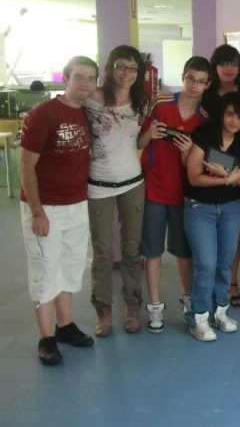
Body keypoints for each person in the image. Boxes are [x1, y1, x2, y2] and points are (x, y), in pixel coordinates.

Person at [19, 55, 97, 365]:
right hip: (45, 208)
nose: (84, 83)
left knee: (70, 266)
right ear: (65, 79)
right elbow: (26, 165)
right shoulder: (44, 114)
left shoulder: (86, 114)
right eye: (79, 77)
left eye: (90, 78)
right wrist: (37, 212)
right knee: (44, 270)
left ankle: (65, 326)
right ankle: (46, 337)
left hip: (76, 205)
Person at [137, 56, 211, 333]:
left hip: (184, 194)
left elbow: (198, 165)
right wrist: (149, 135)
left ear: (207, 85)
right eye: (190, 78)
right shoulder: (161, 103)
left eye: (201, 81)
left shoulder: (205, 119)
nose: (194, 86)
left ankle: (189, 302)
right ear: (183, 76)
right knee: (152, 250)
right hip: (154, 188)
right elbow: (139, 141)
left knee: (183, 252)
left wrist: (187, 153)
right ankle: (155, 307)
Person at [83, 45, 147, 336]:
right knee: (104, 253)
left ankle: (133, 308)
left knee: (133, 250)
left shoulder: (140, 102)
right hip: (98, 183)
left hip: (132, 182)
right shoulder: (92, 97)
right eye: (121, 66)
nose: (126, 74)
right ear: (110, 67)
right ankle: (104, 311)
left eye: (132, 68)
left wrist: (149, 135)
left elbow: (137, 142)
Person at [183, 91, 240, 341]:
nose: (234, 121)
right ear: (222, 114)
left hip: (230, 209)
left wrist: (231, 178)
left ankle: (220, 312)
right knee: (205, 264)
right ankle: (199, 317)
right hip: (199, 208)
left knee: (225, 263)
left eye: (239, 116)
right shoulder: (204, 136)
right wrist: (227, 178)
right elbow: (193, 177)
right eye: (229, 114)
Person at [201, 44, 240, 308]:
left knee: (231, 231)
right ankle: (205, 288)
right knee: (205, 232)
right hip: (206, 163)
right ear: (215, 66)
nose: (228, 68)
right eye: (223, 63)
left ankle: (231, 283)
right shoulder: (206, 92)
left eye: (233, 63)